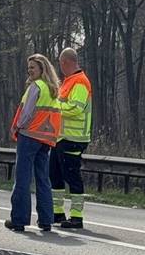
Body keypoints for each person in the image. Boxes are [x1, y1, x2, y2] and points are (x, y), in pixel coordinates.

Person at [6, 53, 62, 232]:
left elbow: (28, 113)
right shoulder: (52, 90)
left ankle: (19, 220)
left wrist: (18, 127)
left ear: (41, 69)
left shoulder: (36, 87)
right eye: (29, 67)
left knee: (22, 178)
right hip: (46, 139)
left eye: (32, 67)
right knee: (43, 179)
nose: (29, 70)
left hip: (29, 135)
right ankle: (46, 220)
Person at [50, 48, 93, 229]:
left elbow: (76, 108)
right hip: (61, 138)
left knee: (72, 176)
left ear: (65, 62)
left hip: (74, 138)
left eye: (60, 63)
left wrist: (55, 107)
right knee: (55, 175)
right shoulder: (68, 82)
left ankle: (77, 217)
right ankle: (57, 213)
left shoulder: (80, 82)